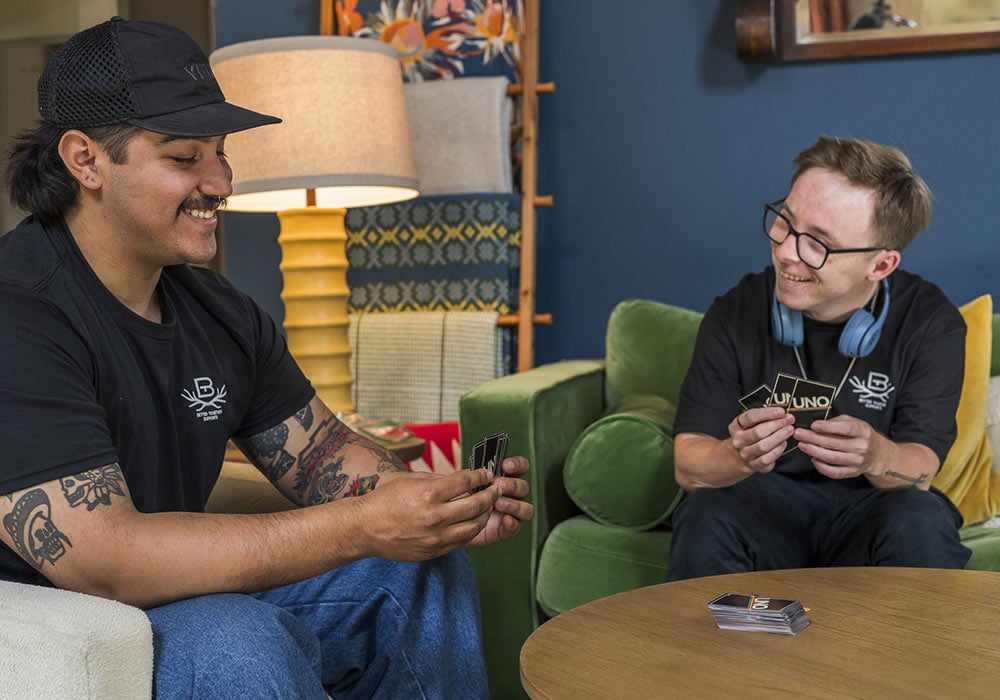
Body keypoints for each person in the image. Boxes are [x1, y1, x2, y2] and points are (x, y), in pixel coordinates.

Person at [0, 17, 534, 698]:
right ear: (85, 160)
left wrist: (435, 503)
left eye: (220, 152)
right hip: (50, 610)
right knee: (237, 641)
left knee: (419, 569)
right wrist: (360, 526)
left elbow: (327, 462)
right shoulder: (19, 310)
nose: (220, 181)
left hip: (169, 593)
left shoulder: (218, 311)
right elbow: (105, 560)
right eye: (184, 158)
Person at [667, 136, 971, 581]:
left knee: (920, 518)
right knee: (705, 510)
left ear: (881, 266)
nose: (787, 251)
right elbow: (687, 464)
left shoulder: (930, 322)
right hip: (761, 505)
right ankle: (717, 652)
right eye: (785, 222)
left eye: (818, 243)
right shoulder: (736, 310)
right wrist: (738, 456)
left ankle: (906, 653)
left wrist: (875, 455)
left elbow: (920, 471)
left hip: (871, 507)